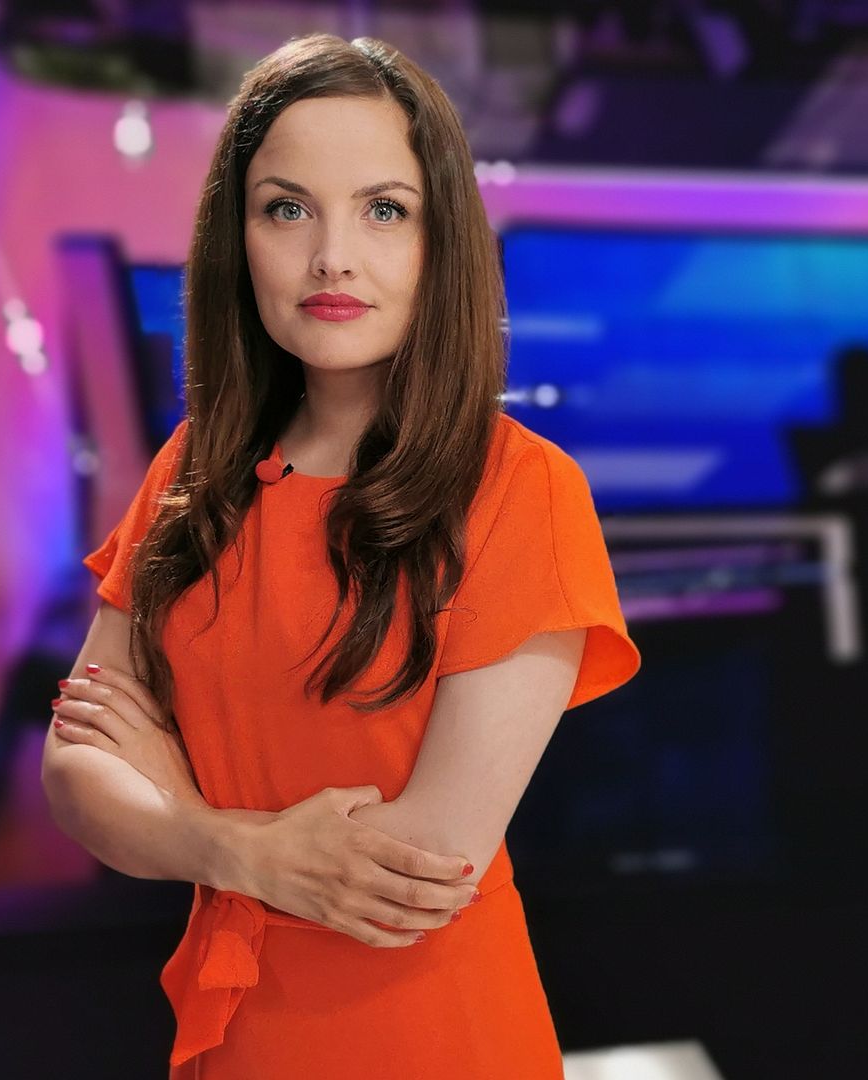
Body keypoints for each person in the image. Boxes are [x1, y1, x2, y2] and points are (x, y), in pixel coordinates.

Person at [39, 34, 640, 1078]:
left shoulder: (523, 487)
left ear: (442, 242)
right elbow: (76, 771)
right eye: (287, 209)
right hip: (236, 1030)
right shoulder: (194, 469)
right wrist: (237, 847)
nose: (332, 258)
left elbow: (418, 873)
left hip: (431, 1034)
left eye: (384, 210)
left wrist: (177, 810)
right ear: (238, 239)